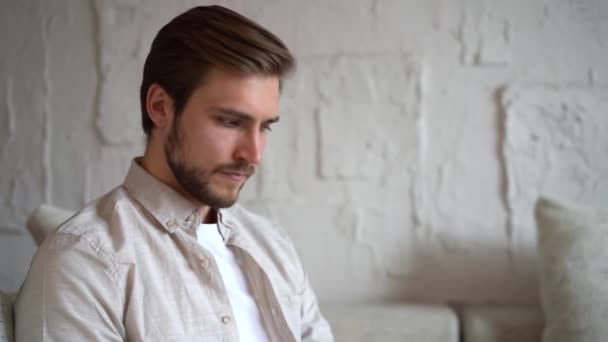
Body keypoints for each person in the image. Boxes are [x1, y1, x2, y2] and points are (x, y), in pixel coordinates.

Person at [15, 5, 333, 342]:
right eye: (230, 121)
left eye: (265, 127)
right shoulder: (82, 261)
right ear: (160, 107)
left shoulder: (272, 245)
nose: (253, 154)